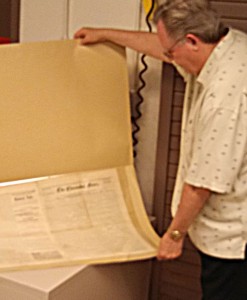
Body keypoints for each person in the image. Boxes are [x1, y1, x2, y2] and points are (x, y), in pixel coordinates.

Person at [74, 0, 247, 299]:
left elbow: (203, 182)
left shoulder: (226, 96)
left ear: (192, 41)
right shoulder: (226, 44)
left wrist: (174, 236)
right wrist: (103, 34)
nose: (169, 58)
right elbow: (161, 46)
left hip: (233, 240)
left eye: (171, 53)